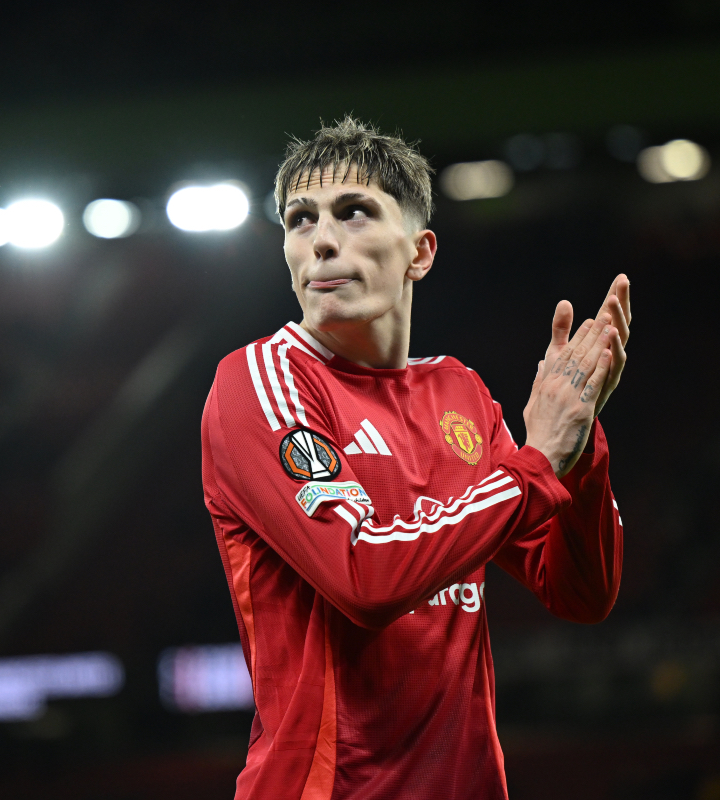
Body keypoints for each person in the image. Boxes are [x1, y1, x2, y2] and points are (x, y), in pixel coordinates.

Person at [200, 117, 630, 800]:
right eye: (300, 220)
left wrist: (579, 452)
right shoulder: (262, 381)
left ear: (419, 253)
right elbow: (365, 575)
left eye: (354, 213)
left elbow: (579, 591)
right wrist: (538, 463)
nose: (322, 241)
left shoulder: (457, 391)